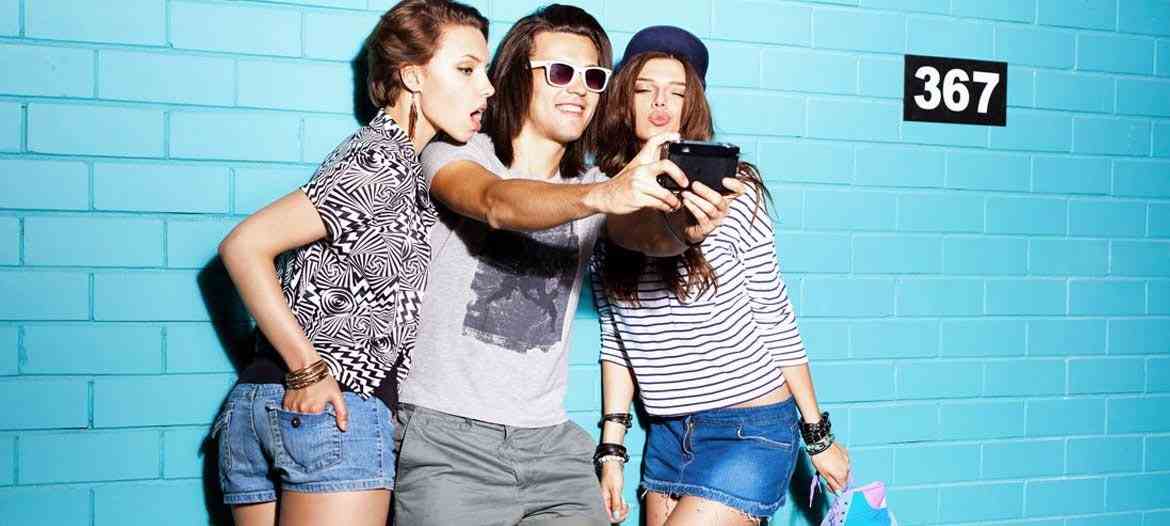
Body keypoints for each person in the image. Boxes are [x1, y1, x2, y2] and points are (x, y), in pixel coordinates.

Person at [392, 5, 745, 525]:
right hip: (447, 438)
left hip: (549, 446)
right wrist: (604, 195)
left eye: (593, 77)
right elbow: (495, 202)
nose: (579, 89)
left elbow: (646, 236)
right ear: (517, 77)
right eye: (560, 72)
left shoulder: (592, 185)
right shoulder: (459, 153)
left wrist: (687, 231)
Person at [209, 1, 493, 524]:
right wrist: (307, 369)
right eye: (466, 69)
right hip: (329, 411)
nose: (487, 87)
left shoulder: (390, 161)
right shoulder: (379, 162)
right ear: (412, 76)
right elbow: (244, 245)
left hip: (258, 405)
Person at [589, 26, 852, 525]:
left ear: (693, 104)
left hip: (749, 428)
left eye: (677, 91)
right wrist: (613, 450)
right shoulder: (600, 196)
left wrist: (818, 436)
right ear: (624, 98)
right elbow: (616, 336)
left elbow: (774, 313)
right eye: (645, 89)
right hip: (667, 434)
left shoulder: (733, 190)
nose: (660, 102)